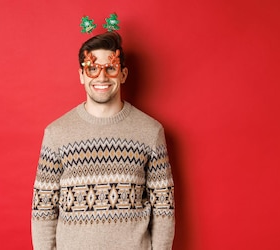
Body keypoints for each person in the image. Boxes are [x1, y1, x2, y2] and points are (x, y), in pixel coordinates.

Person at [31, 31, 175, 250]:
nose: (101, 77)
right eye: (92, 68)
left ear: (123, 74)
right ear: (81, 75)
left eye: (110, 68)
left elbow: (164, 208)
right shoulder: (56, 134)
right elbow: (43, 209)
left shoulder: (150, 131)